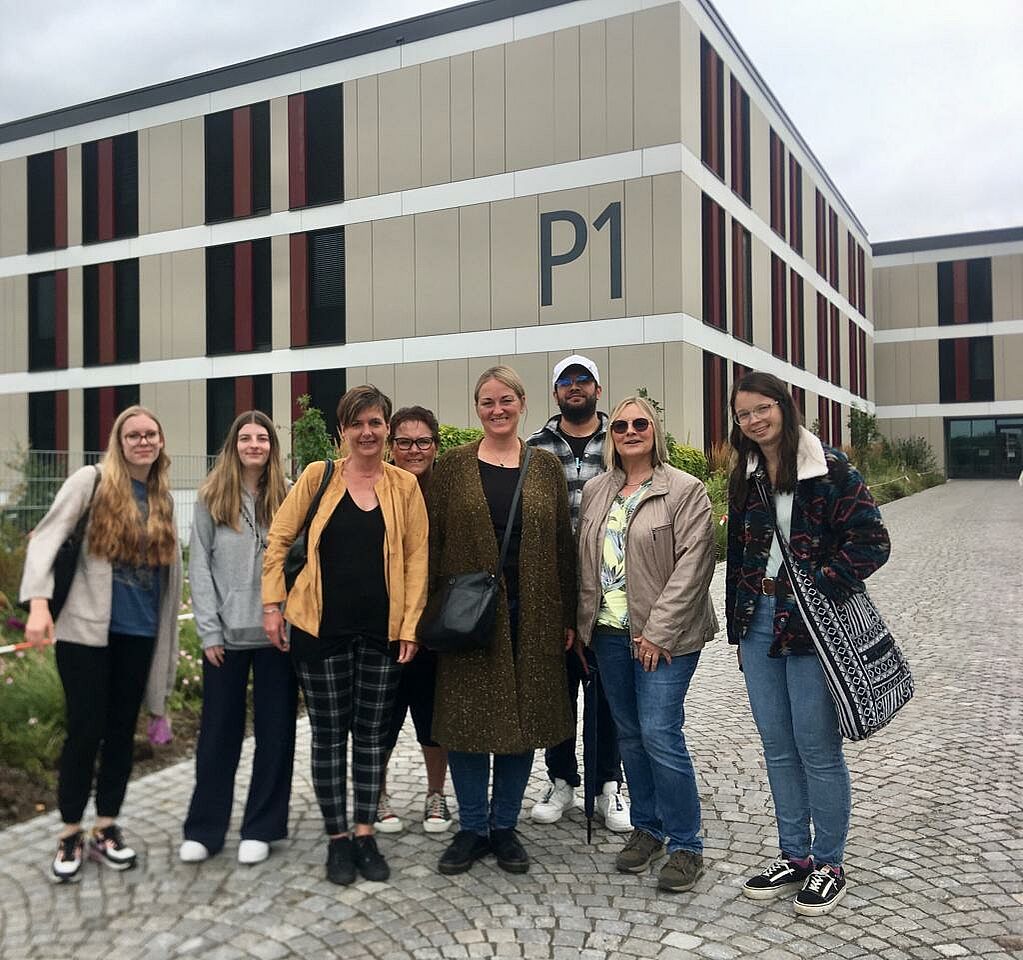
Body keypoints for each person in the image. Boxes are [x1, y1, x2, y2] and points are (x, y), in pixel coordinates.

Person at [725, 371, 890, 916]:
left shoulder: (830, 468)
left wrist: (818, 581)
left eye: (761, 409)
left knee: (817, 748)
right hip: (758, 620)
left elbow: (872, 541)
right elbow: (739, 552)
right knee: (777, 746)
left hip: (812, 624)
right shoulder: (744, 475)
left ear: (783, 406)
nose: (753, 421)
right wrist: (736, 621)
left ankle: (830, 862)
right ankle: (793, 855)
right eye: (743, 414)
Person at [262, 385, 428, 886]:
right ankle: (338, 839)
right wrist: (272, 603)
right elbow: (280, 538)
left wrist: (410, 625)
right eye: (357, 423)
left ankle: (365, 832)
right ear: (343, 431)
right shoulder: (318, 477)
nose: (367, 432)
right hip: (320, 629)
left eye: (375, 422)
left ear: (386, 428)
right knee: (330, 737)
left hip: (382, 633)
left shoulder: (404, 486)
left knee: (373, 738)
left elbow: (418, 558)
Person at [20, 406, 182, 883]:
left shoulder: (162, 496)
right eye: (133, 434)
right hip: (86, 631)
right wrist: (38, 604)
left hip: (139, 634)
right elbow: (45, 539)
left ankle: (106, 826)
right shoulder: (90, 481)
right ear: (118, 440)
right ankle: (70, 830)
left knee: (119, 735)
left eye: (151, 433)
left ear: (160, 441)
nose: (143, 441)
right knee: (84, 732)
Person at [428, 365, 576, 875]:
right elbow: (433, 543)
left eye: (506, 400)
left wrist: (567, 614)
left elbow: (562, 544)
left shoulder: (546, 469)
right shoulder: (452, 467)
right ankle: (472, 829)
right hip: (469, 615)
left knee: (521, 719)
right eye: (487, 402)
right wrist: (431, 612)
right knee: (468, 719)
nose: (497, 409)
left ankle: (505, 826)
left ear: (522, 403)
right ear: (477, 409)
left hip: (532, 612)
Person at [576, 396, 718, 893]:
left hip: (667, 636)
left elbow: (695, 566)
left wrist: (657, 632)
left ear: (655, 431)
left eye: (640, 424)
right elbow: (584, 564)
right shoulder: (598, 489)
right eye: (620, 425)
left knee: (660, 731)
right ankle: (649, 827)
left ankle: (685, 844)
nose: (630, 431)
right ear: (610, 435)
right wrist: (581, 625)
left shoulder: (685, 490)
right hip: (609, 634)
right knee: (630, 733)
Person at [179, 411, 297, 866]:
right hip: (224, 637)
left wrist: (287, 615)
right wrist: (208, 628)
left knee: (275, 733)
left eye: (261, 437)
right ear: (233, 445)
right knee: (217, 735)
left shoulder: (287, 496)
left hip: (275, 636)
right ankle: (205, 829)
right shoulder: (212, 497)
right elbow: (199, 568)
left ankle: (262, 826)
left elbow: (297, 562)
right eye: (245, 437)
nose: (254, 444)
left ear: (271, 446)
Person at [526, 355, 629, 833]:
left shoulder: (623, 440)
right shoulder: (534, 448)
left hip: (610, 587)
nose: (574, 387)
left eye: (582, 380)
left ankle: (610, 784)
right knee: (557, 690)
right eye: (565, 381)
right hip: (552, 587)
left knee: (608, 693)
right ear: (555, 394)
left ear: (597, 389)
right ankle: (562, 779)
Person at [374, 406, 452, 835]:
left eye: (423, 442)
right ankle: (378, 793)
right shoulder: (378, 486)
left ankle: (436, 794)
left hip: (436, 625)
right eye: (404, 442)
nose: (414, 450)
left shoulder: (448, 489)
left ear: (435, 446)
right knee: (381, 716)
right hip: (385, 624)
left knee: (432, 718)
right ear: (392, 447)